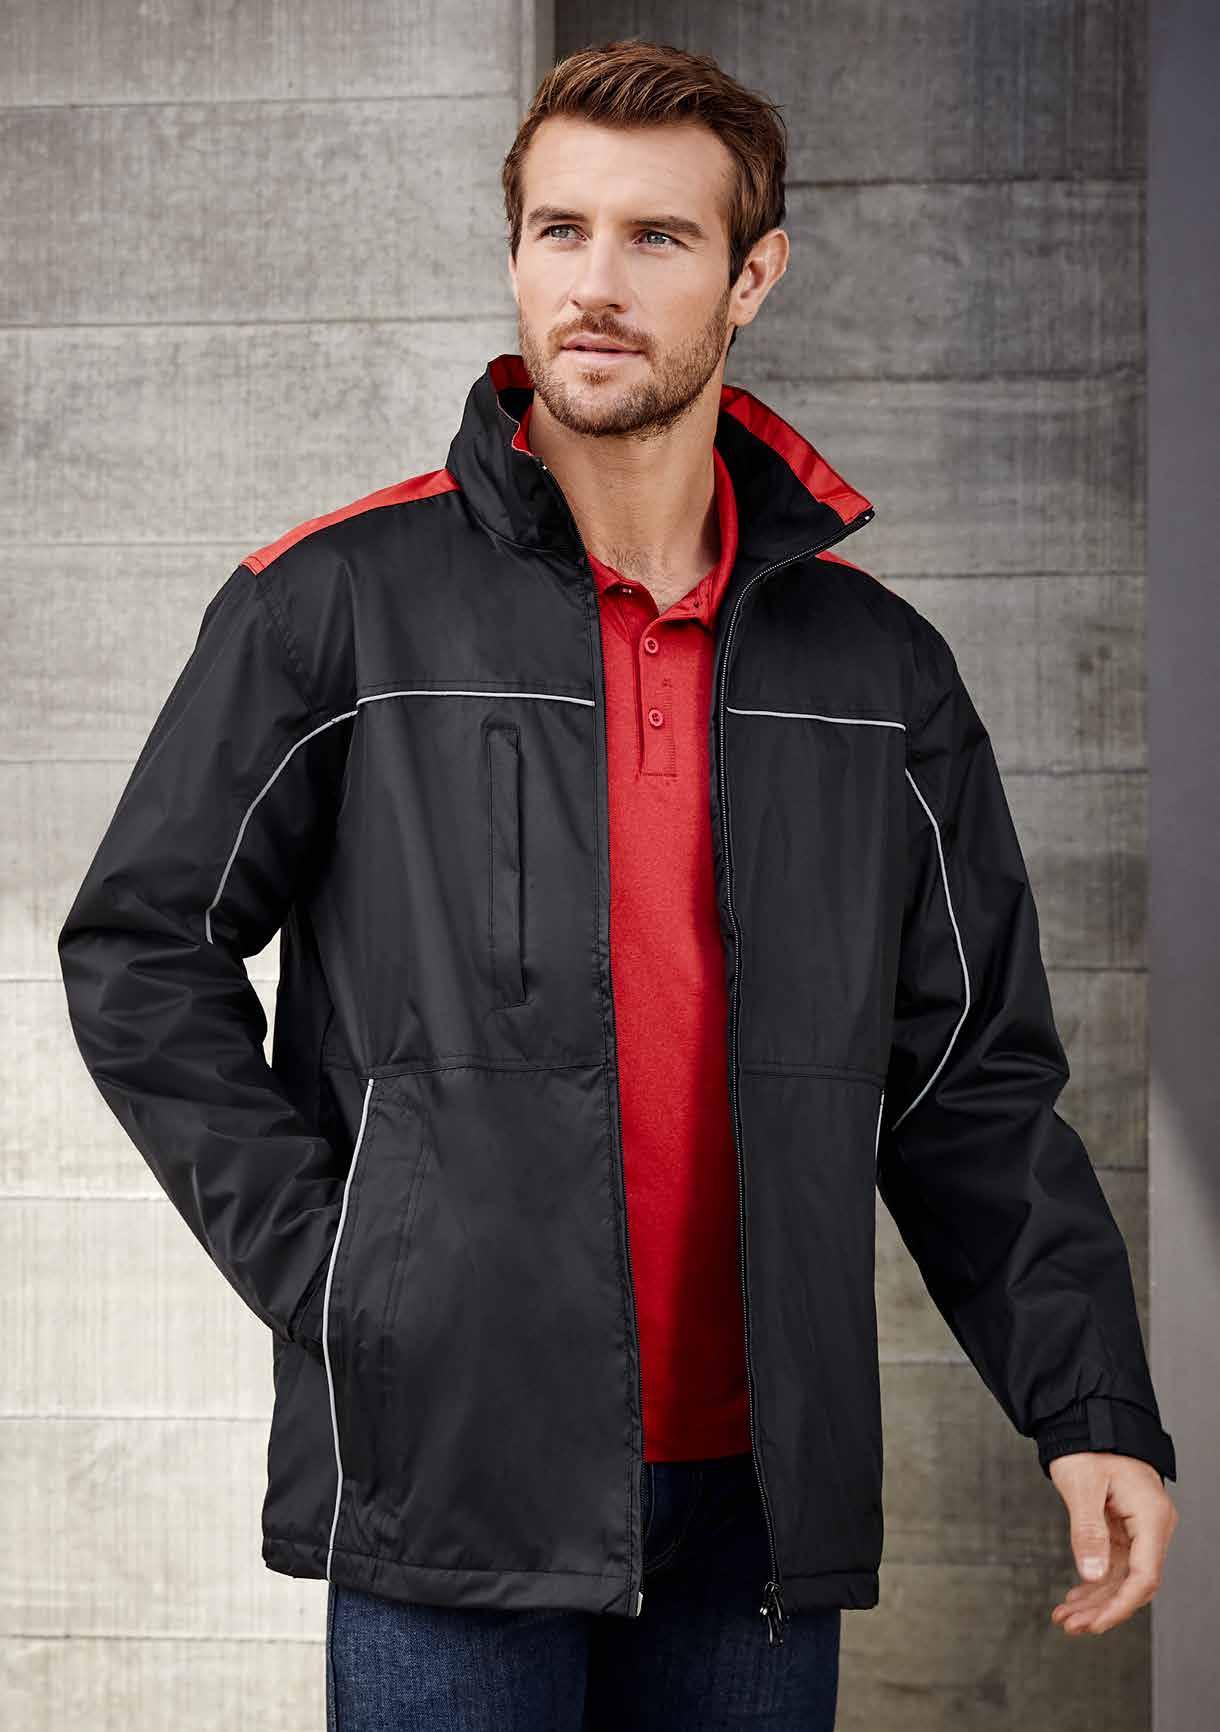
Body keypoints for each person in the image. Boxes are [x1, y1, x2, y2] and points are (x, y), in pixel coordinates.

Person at [56, 38, 1178, 1732]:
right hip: (450, 1472)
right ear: (514, 256)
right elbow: (142, 950)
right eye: (559, 230)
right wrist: (343, 1273)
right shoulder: (332, 607)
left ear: (753, 277)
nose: (596, 282)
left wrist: (1087, 1403)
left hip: (759, 1503)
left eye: (658, 237)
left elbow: (971, 1082)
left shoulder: (877, 671)